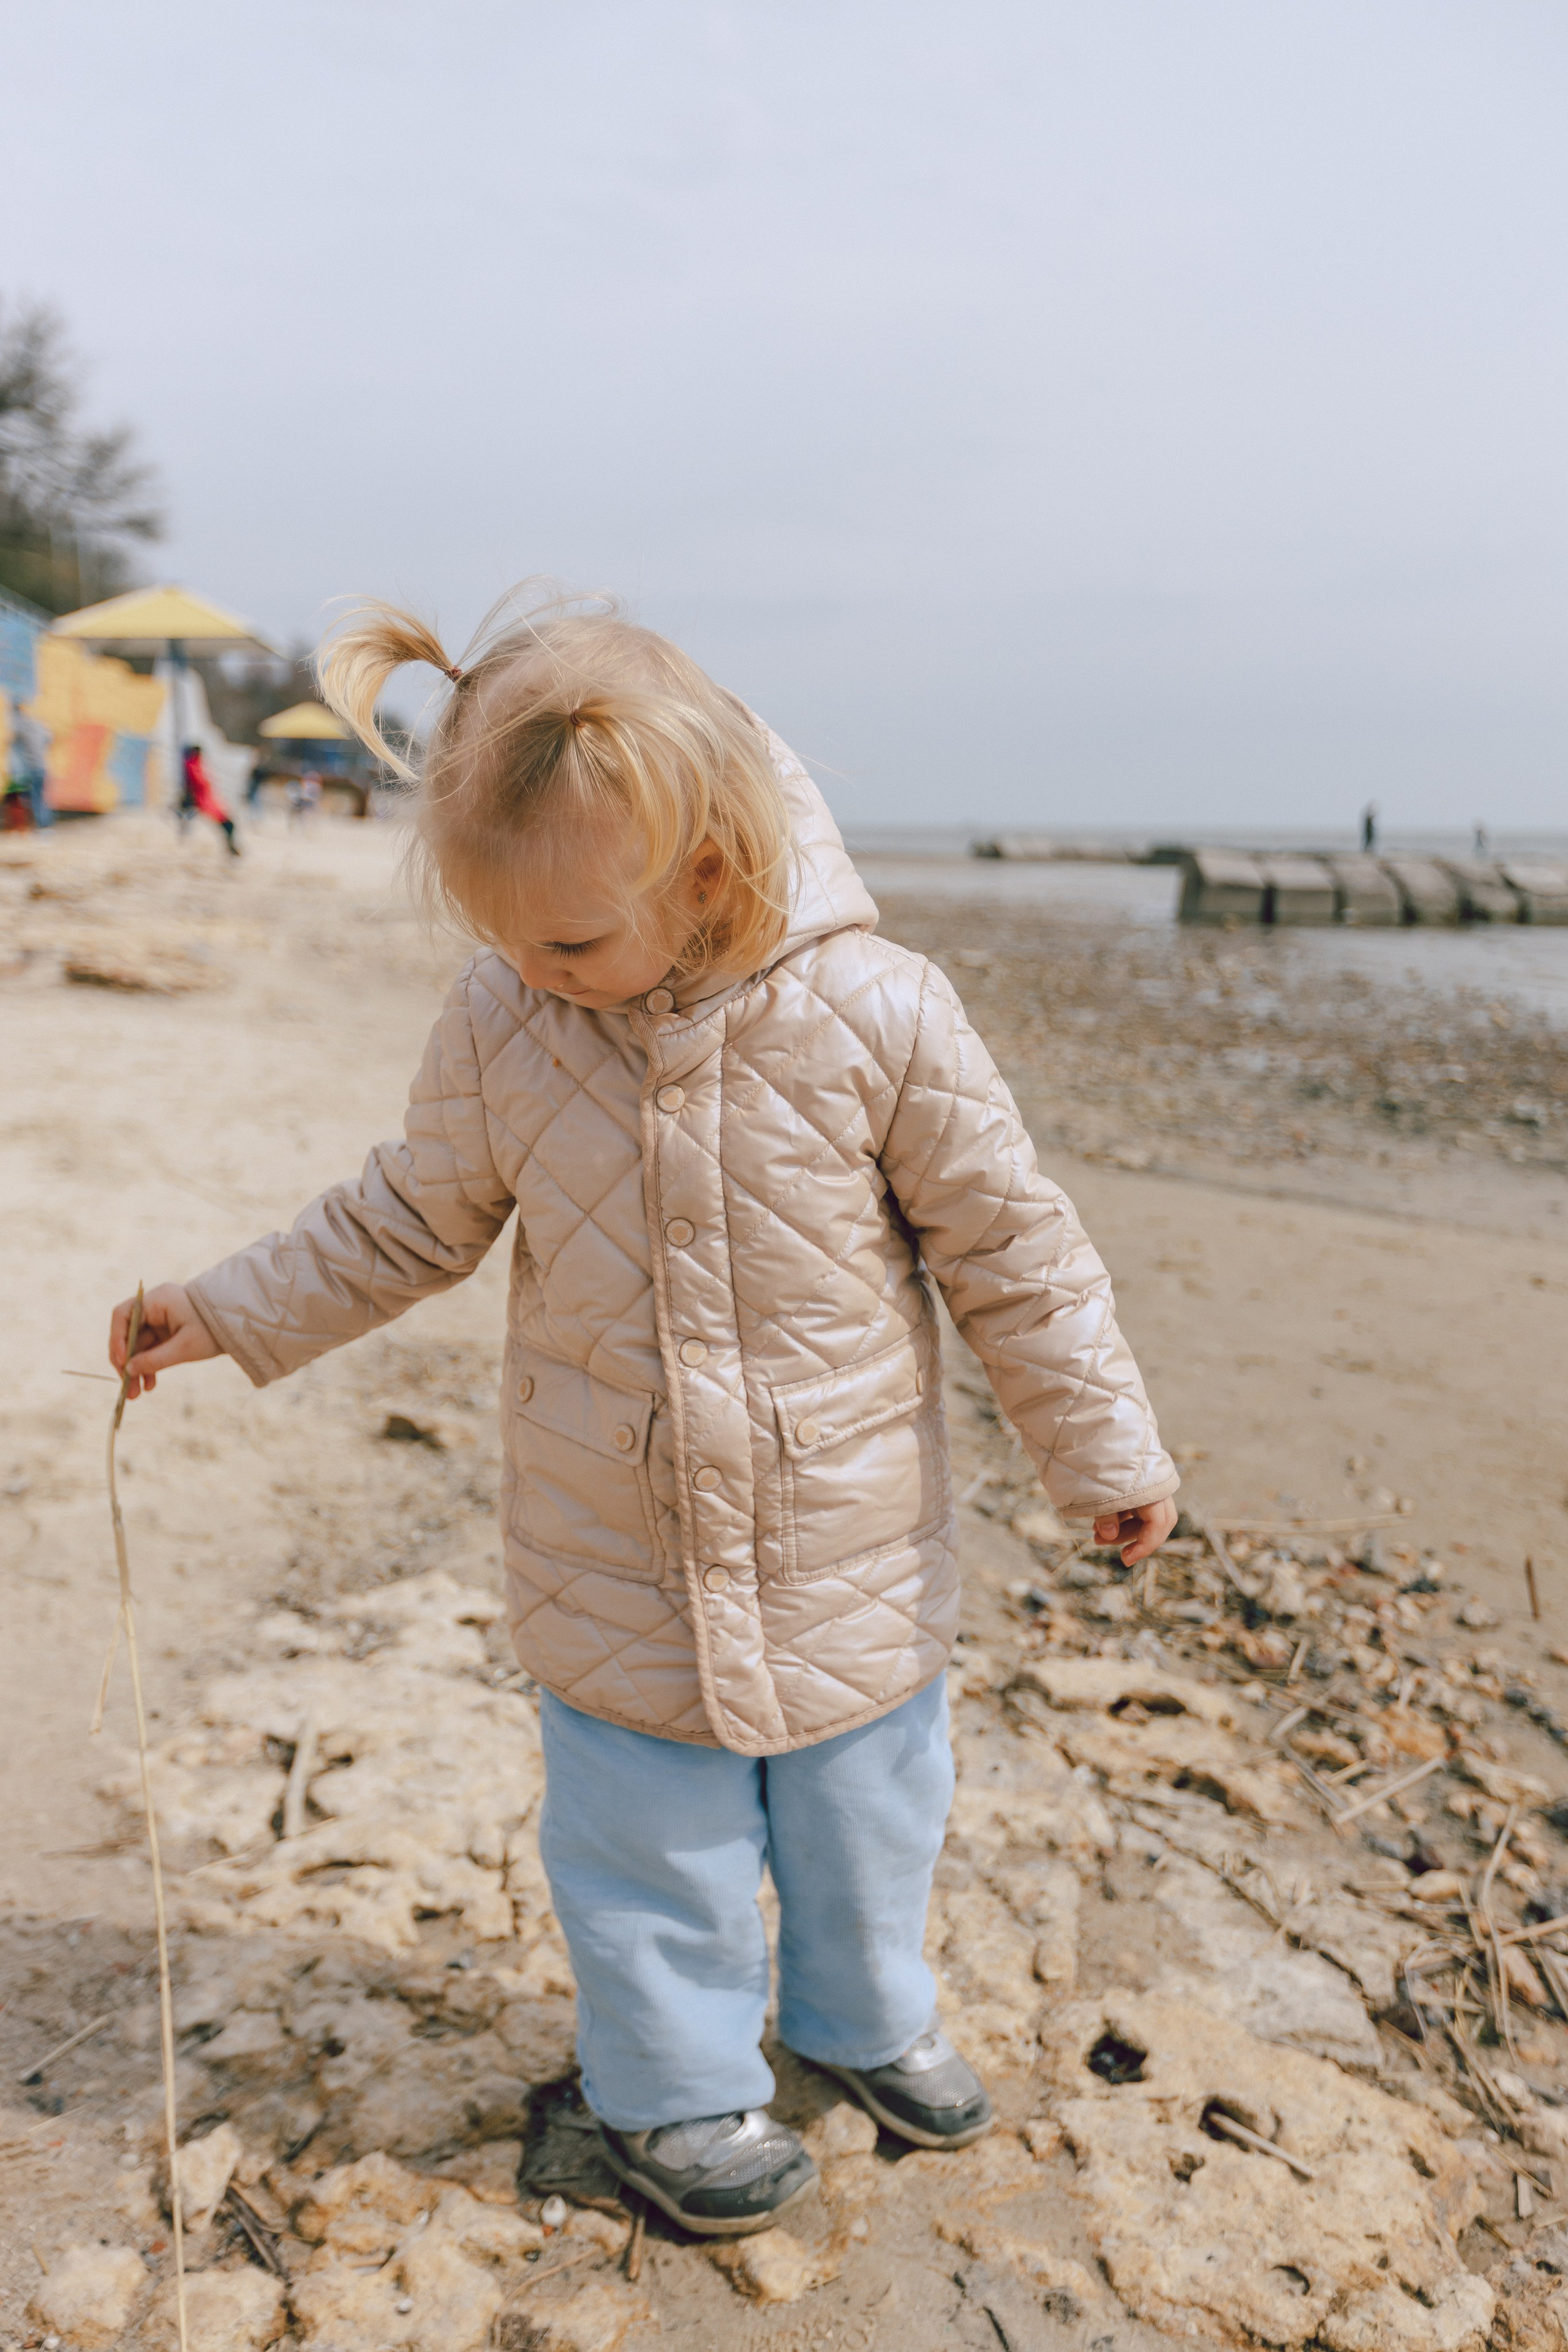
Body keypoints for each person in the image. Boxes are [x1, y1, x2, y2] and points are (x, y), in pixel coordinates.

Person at [110, 592, 1178, 2237]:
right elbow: (406, 1219)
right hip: (610, 1552)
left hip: (851, 1542)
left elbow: (1012, 1250)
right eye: (506, 942)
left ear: (708, 865)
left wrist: (1102, 1445)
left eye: (571, 942)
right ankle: (673, 2100)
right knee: (648, 1861)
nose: (539, 973)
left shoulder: (879, 1009)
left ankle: (861, 2017)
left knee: (873, 1813)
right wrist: (225, 1309)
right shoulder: (504, 1020)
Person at [181, 742, 241, 856]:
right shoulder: (193, 766)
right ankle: (230, 846)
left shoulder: (197, 765)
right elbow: (199, 782)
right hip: (203, 801)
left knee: (228, 823)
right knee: (228, 823)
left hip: (208, 800)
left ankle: (231, 845)